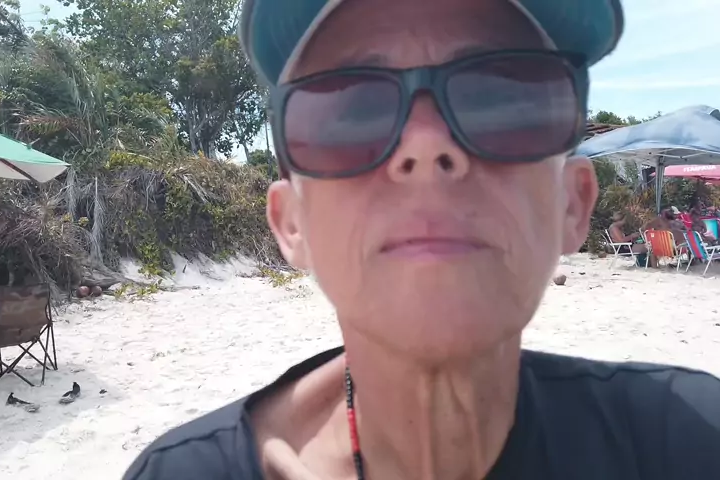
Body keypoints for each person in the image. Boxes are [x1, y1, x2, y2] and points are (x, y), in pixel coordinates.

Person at [125, 0, 720, 478]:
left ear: (573, 203)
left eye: (500, 99)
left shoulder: (690, 440)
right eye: (351, 110)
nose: (427, 146)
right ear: (291, 223)